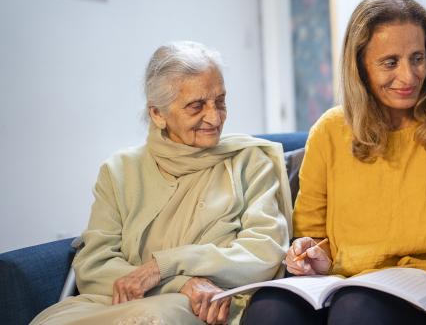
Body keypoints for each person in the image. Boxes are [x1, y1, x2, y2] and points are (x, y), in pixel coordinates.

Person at [243, 0, 426, 325]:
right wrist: (310, 256)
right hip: (344, 286)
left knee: (356, 308)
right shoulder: (329, 131)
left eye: (417, 58)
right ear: (360, 65)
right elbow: (316, 241)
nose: (408, 76)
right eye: (390, 63)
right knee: (268, 308)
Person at [31, 41, 293, 325]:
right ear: (157, 114)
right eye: (196, 106)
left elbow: (264, 252)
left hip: (204, 304)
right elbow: (94, 265)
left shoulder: (249, 162)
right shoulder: (119, 170)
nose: (215, 117)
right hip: (112, 301)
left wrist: (165, 265)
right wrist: (179, 283)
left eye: (220, 101)